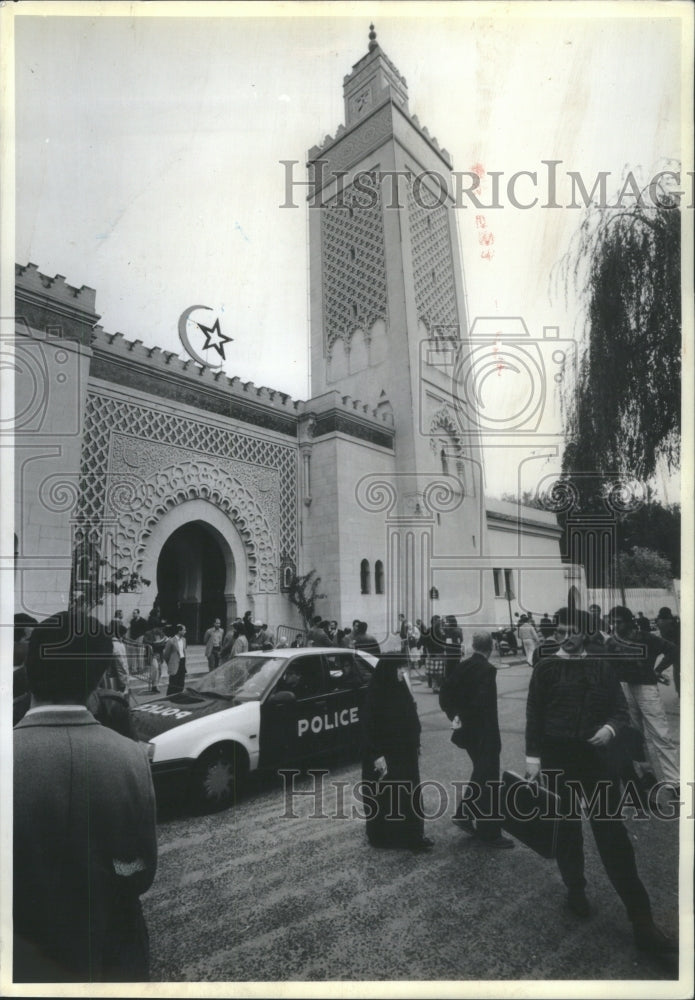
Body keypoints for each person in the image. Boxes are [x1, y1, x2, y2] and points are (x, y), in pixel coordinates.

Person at [13, 609, 157, 981]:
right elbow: (140, 871)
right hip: (112, 953)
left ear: (28, 672)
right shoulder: (130, 759)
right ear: (97, 680)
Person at [525, 607, 677, 956]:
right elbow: (534, 714)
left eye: (573, 630)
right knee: (566, 829)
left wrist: (610, 729)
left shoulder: (602, 664)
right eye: (560, 630)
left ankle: (642, 921)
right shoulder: (545, 667)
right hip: (558, 760)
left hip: (596, 762)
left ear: (585, 633)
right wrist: (533, 759)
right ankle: (575, 889)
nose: (566, 636)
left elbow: (620, 710)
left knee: (613, 836)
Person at [441, 632, 514, 848]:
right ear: (491, 647)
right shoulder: (487, 670)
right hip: (485, 733)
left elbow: (445, 693)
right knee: (488, 779)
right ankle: (489, 832)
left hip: (468, 734)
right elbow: (482, 703)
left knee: (481, 775)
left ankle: (465, 813)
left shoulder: (463, 666)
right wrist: (467, 716)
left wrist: (456, 716)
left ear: (472, 646)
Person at [361, 652, 433, 852]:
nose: (404, 671)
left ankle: (413, 836)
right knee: (390, 797)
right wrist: (376, 755)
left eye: (404, 667)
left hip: (405, 753)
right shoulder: (376, 693)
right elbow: (369, 727)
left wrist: (416, 741)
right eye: (400, 668)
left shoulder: (400, 688)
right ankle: (389, 837)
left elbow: (411, 715)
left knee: (408, 795)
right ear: (390, 669)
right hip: (387, 755)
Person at [605, 606, 679, 795]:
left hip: (646, 689)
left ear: (629, 621)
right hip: (626, 688)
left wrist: (657, 670)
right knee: (634, 736)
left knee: (660, 734)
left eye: (618, 621)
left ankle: (675, 781)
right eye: (612, 621)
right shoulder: (612, 641)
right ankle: (647, 773)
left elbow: (673, 650)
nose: (614, 625)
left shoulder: (646, 637)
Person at [655, 607, 680, 696]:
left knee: (676, 670)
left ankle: (679, 690)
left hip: (667, 646)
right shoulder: (671, 622)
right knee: (679, 669)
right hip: (676, 646)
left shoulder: (659, 621)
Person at [164, 624, 187, 695]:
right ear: (179, 631)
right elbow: (166, 655)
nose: (185, 632)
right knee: (173, 682)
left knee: (181, 682)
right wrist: (170, 663)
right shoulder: (171, 641)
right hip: (174, 663)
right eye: (184, 630)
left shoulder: (184, 640)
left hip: (182, 661)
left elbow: (184, 650)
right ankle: (170, 697)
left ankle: (179, 696)